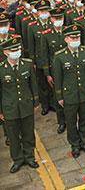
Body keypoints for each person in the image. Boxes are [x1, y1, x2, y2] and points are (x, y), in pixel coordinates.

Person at [53, 24, 85, 158]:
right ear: (66, 39)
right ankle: (75, 145)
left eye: (78, 37)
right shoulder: (59, 57)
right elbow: (58, 79)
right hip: (69, 95)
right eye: (73, 37)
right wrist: (59, 96)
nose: (76, 39)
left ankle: (84, 141)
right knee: (71, 122)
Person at [0, 36, 39, 173]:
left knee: (28, 133)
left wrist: (36, 101)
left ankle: (29, 157)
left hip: (26, 105)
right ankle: (17, 159)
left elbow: (33, 84)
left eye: (17, 48)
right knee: (13, 136)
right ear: (5, 52)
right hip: (9, 108)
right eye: (12, 50)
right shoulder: (1, 69)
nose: (16, 51)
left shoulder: (27, 64)